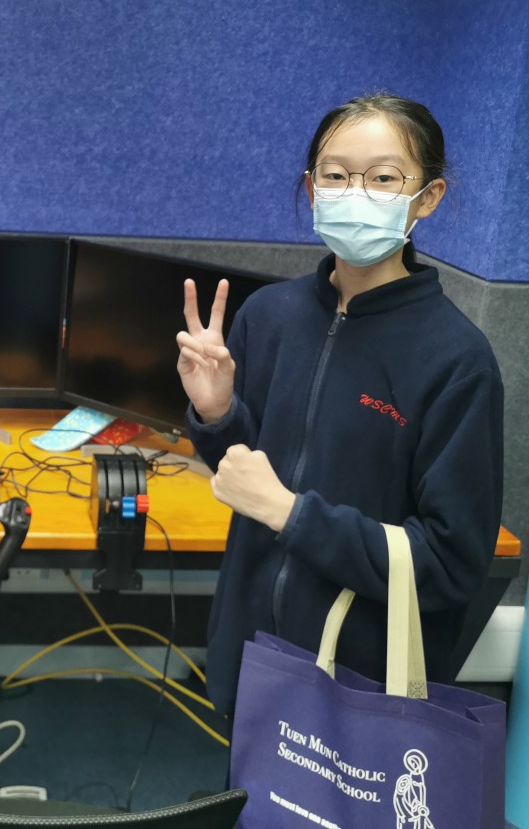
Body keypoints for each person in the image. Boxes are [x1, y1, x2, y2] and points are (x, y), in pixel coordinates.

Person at [176, 93, 503, 715]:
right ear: (311, 188)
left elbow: (451, 563)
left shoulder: (457, 360)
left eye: (383, 178)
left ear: (427, 196)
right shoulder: (268, 316)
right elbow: (249, 477)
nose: (355, 193)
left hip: (358, 687)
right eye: (335, 175)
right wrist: (217, 416)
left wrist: (293, 516)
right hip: (253, 652)